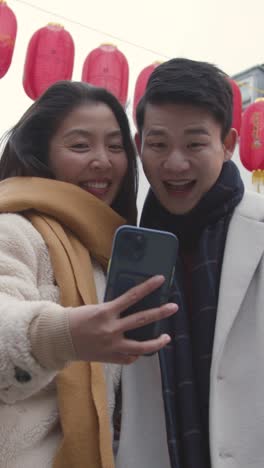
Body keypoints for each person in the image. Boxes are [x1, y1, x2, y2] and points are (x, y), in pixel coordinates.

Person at [0, 80, 178, 468]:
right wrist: (60, 336)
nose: (102, 160)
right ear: (41, 152)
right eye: (80, 146)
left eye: (115, 146)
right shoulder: (13, 227)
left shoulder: (105, 255)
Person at [124, 57, 262, 468]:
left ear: (229, 144)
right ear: (139, 146)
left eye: (196, 144)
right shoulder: (127, 247)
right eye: (159, 144)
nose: (175, 163)